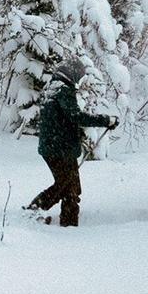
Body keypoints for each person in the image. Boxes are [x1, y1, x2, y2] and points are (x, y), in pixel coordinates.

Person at [23, 57, 118, 226]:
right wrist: (106, 120)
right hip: (61, 149)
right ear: (72, 73)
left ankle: (65, 222)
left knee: (69, 186)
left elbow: (61, 119)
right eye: (78, 76)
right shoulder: (63, 90)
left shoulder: (50, 88)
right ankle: (37, 212)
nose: (78, 80)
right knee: (65, 186)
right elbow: (75, 116)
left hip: (51, 147)